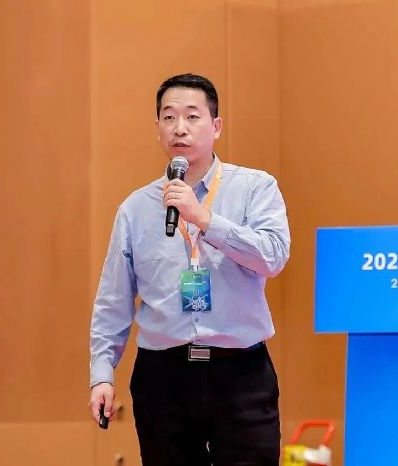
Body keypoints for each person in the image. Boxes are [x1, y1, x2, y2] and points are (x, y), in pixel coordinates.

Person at [89, 73, 290, 466]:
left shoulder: (255, 188)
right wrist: (102, 374)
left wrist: (205, 220)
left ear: (216, 126)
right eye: (169, 117)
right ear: (158, 128)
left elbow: (273, 256)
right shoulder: (135, 208)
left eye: (192, 116)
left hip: (241, 372)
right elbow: (113, 300)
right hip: (163, 378)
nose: (179, 127)